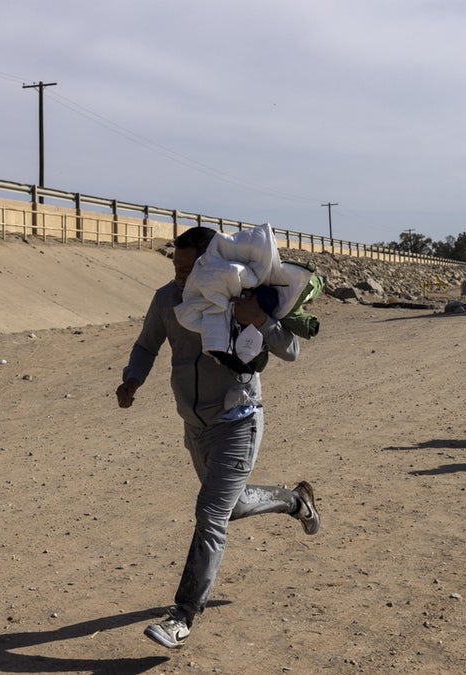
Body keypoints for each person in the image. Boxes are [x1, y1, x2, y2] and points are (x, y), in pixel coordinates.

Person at [115, 226, 320, 650]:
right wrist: (132, 379)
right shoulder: (168, 300)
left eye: (189, 269)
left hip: (238, 422)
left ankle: (182, 615)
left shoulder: (242, 298)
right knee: (232, 504)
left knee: (210, 513)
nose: (180, 276)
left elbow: (291, 350)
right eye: (176, 266)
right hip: (195, 427)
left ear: (212, 265)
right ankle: (294, 500)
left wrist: (258, 319)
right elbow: (146, 345)